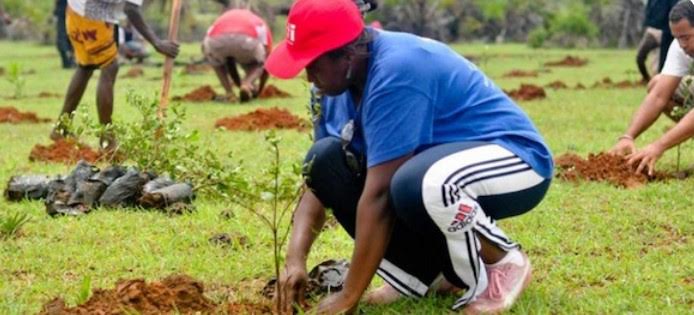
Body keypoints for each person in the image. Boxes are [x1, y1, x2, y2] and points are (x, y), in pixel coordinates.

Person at [267, 0, 553, 314]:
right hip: (435, 171)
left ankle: (503, 261)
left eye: (313, 64)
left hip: (515, 159)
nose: (308, 77)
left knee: (416, 183)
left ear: (347, 54)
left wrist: (348, 298)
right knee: (325, 160)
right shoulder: (331, 90)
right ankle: (427, 277)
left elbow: (378, 197)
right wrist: (295, 260)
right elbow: (317, 181)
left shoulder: (398, 70)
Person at [51, 0, 179, 148]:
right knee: (110, 66)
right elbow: (131, 9)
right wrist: (157, 42)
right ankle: (107, 139)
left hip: (75, 10)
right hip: (93, 15)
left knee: (85, 67)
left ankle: (61, 128)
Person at [613, 0, 694, 175]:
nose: (682, 45)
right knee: (657, 83)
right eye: (677, 38)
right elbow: (658, 96)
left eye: (686, 37)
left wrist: (659, 146)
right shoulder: (680, 45)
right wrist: (628, 136)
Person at [202, 9, 272, 102]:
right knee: (260, 64)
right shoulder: (260, 23)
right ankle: (247, 84)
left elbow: (230, 63)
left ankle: (229, 93)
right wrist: (259, 90)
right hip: (246, 40)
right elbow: (267, 64)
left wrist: (239, 85)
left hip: (216, 40)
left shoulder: (225, 16)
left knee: (216, 63)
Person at [54, 0, 76, 69]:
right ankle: (69, 60)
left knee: (65, 36)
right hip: (68, 8)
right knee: (64, 36)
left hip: (69, 8)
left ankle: (70, 60)